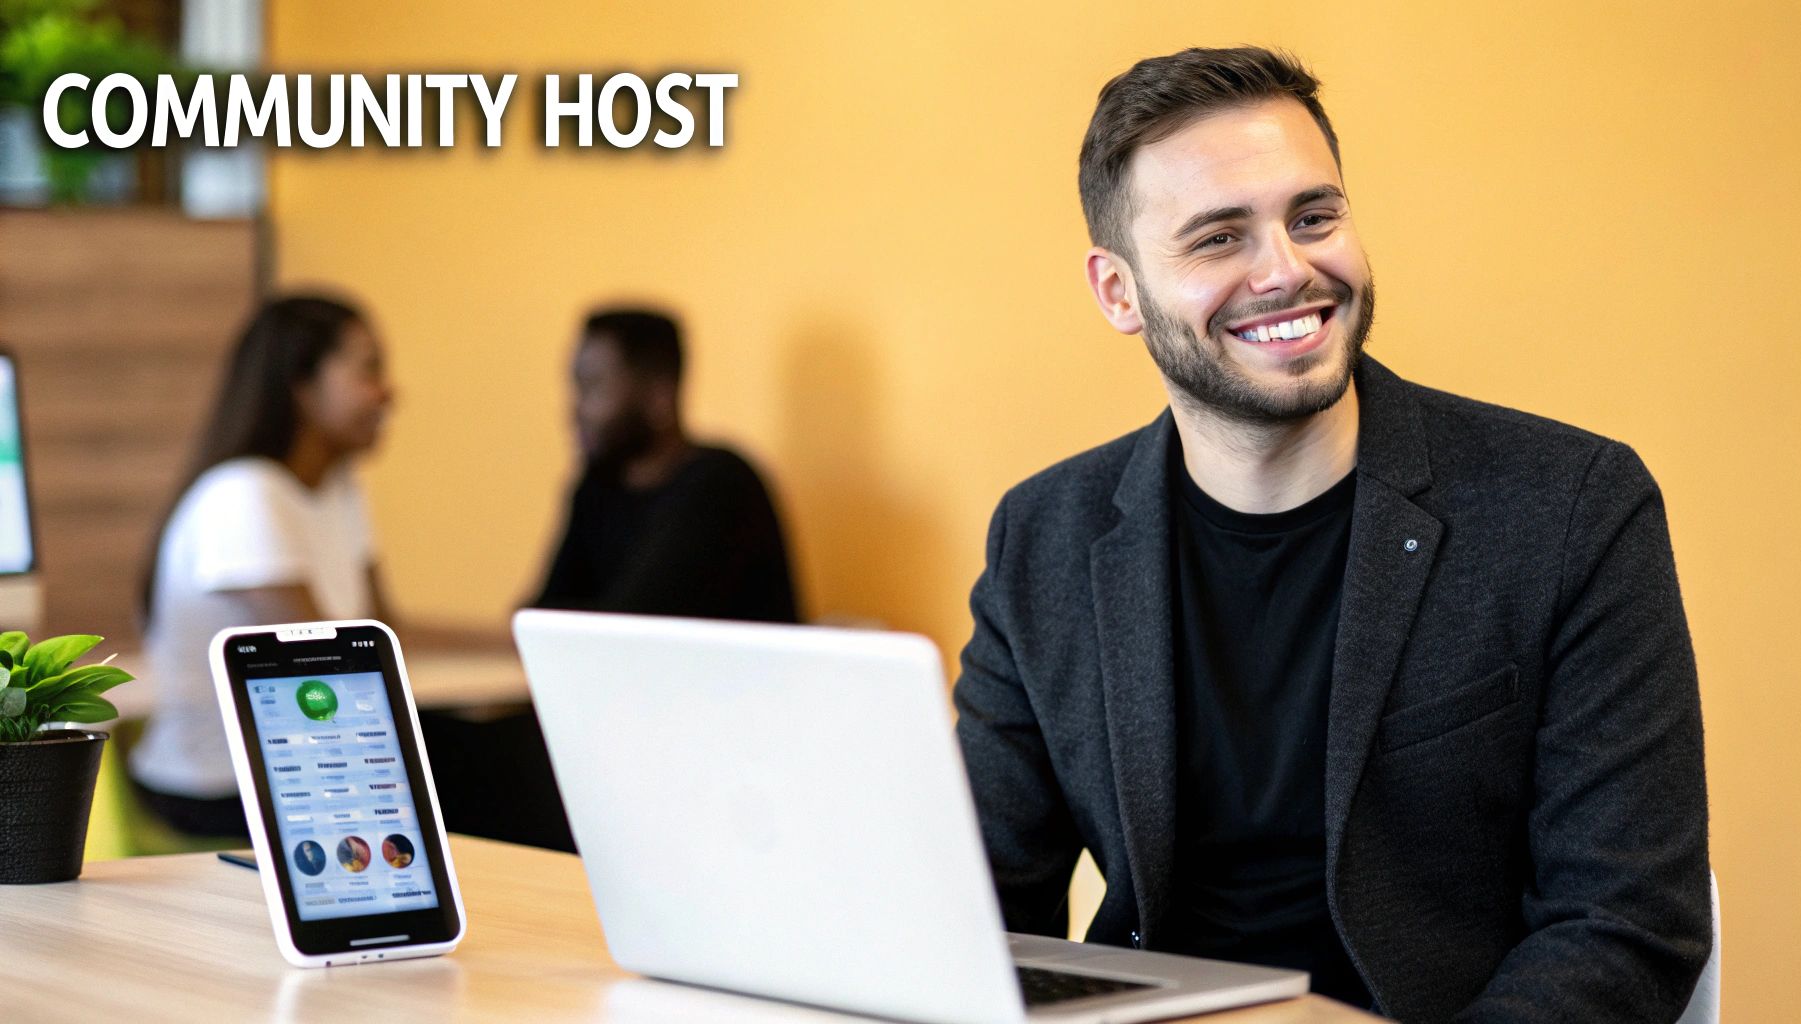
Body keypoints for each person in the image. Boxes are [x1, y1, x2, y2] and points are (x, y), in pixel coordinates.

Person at [952, 47, 1710, 1022]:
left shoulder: (1569, 507)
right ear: (1117, 292)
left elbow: (1626, 923)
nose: (1286, 269)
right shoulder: (1042, 533)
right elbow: (980, 903)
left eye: (1312, 217)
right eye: (1218, 238)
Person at [130, 295, 395, 837]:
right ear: (301, 383)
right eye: (369, 369)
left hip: (294, 771)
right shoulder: (242, 496)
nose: (388, 392)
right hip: (215, 791)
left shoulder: (337, 488)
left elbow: (386, 631)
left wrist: (516, 639)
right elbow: (326, 663)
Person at [531, 307, 798, 623]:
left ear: (659, 394)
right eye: (576, 386)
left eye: (594, 386)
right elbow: (541, 617)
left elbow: (633, 623)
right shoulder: (597, 487)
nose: (576, 410)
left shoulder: (721, 486)